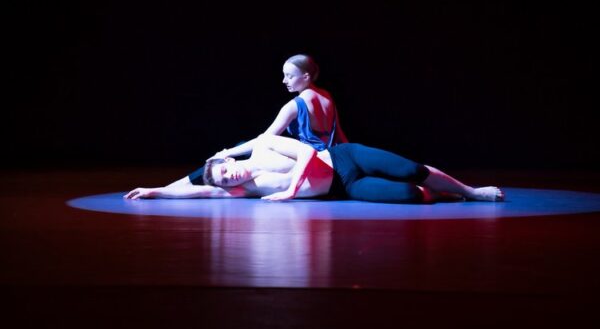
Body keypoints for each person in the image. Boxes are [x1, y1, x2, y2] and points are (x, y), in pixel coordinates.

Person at [125, 134, 505, 203]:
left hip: (344, 159)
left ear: (229, 161)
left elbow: (308, 154)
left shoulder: (265, 147)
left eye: (228, 171)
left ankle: (471, 191)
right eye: (226, 181)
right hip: (343, 188)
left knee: (409, 169)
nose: (231, 177)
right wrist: (156, 189)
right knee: (410, 195)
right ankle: (447, 196)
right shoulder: (243, 190)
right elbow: (195, 188)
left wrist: (291, 191)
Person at [168, 54, 349, 188]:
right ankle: (186, 182)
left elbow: (265, 139)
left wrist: (224, 153)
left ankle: (180, 184)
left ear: (306, 76)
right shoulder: (327, 96)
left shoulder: (294, 106)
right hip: (330, 154)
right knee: (240, 152)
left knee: (238, 150)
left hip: (310, 159)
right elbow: (339, 134)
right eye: (284, 75)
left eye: (289, 76)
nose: (284, 80)